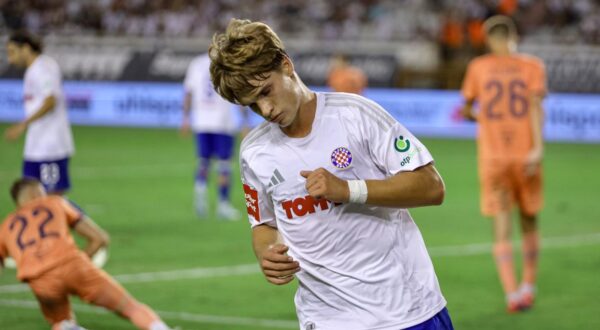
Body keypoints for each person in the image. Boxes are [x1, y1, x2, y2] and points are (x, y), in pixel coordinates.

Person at [209, 19, 453, 330]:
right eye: (253, 106)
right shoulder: (254, 152)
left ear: (286, 65)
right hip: (324, 319)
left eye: (266, 91)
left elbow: (431, 187)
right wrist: (267, 252)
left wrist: (350, 190)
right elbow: (263, 224)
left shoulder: (357, 116)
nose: (266, 109)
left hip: (404, 311)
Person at [0, 178, 172, 330]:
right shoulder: (55, 202)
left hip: (41, 281)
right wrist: (80, 265)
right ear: (37, 192)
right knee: (130, 308)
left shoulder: (5, 226)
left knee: (62, 323)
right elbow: (99, 238)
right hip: (74, 265)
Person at [460, 15, 546, 313]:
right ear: (513, 35)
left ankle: (512, 295)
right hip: (525, 155)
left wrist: (485, 119)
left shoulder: (478, 67)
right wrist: (537, 148)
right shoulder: (532, 66)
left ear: (487, 39)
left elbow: (467, 109)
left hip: (493, 158)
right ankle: (528, 287)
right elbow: (536, 107)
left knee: (501, 225)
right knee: (529, 219)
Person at [4, 31, 75, 196]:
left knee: (53, 198)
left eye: (12, 52)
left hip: (51, 147)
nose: (10, 58)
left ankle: (75, 221)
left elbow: (50, 101)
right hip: (36, 146)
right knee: (29, 196)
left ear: (26, 48)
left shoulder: (43, 68)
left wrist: (23, 124)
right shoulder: (33, 70)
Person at [182, 52, 245, 220]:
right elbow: (238, 94)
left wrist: (186, 119)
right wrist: (245, 122)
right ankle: (223, 205)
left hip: (202, 122)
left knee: (203, 162)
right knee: (224, 165)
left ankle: (200, 199)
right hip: (222, 123)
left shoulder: (196, 63)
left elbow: (188, 92)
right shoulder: (229, 61)